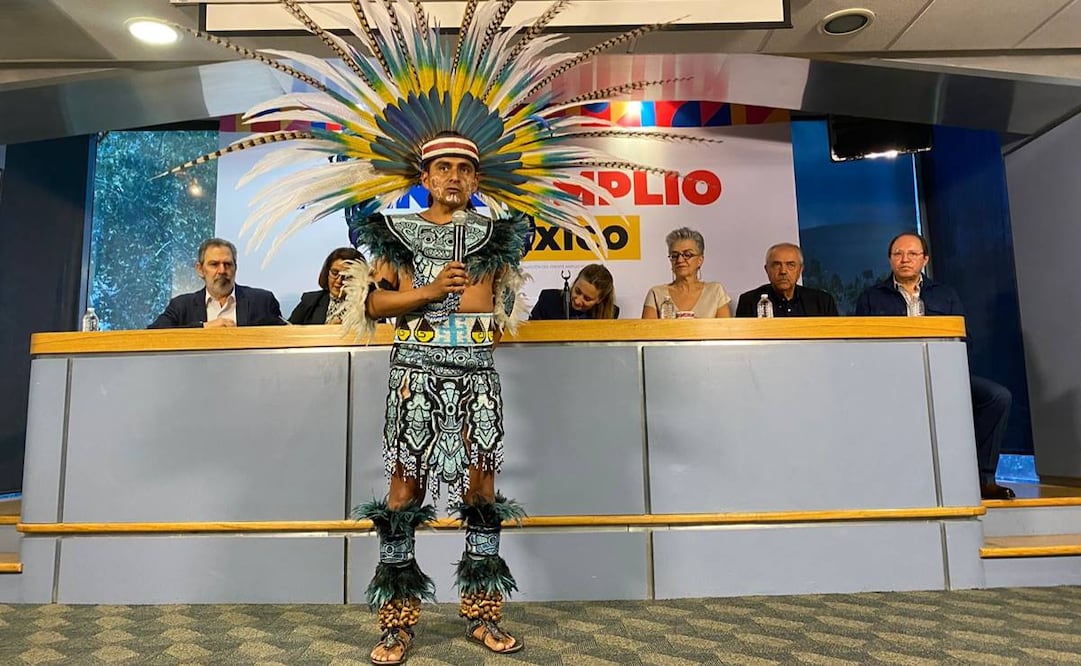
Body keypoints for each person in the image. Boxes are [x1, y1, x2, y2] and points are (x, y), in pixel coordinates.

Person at [348, 134, 530, 663]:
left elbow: (502, 309)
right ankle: (397, 623)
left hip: (476, 374)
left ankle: (482, 614)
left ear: (475, 180)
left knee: (483, 492)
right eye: (442, 168)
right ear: (424, 179)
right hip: (414, 373)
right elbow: (376, 303)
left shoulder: (497, 238)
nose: (453, 176)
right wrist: (427, 294)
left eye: (463, 169)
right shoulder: (396, 235)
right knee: (403, 496)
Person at [853, 232, 1015, 501]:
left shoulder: (945, 294)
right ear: (890, 259)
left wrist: (949, 370)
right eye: (898, 254)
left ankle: (983, 480)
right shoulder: (872, 298)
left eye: (912, 254)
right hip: (892, 379)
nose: (905, 259)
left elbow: (964, 339)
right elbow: (862, 347)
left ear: (924, 259)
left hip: (942, 374)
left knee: (998, 397)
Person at [148, 238, 284, 328]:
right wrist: (203, 327)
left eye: (228, 264)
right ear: (200, 269)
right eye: (214, 264)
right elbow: (152, 335)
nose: (222, 270)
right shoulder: (182, 305)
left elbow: (284, 339)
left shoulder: (262, 301)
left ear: (235, 267)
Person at [642, 227, 731, 319]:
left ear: (700, 260)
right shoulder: (656, 293)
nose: (680, 260)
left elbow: (726, 330)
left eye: (687, 255)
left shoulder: (715, 291)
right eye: (675, 255)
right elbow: (647, 331)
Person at [735, 243, 839, 317]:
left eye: (791, 265)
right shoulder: (750, 301)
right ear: (767, 270)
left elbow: (835, 342)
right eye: (776, 265)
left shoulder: (822, 301)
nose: (783, 271)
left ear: (800, 270)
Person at [288, 247, 366, 324]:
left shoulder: (368, 305)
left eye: (347, 276)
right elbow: (286, 332)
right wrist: (327, 330)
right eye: (335, 273)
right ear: (327, 272)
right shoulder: (310, 301)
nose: (339, 281)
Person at [530, 264, 619, 320]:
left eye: (587, 299)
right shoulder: (548, 300)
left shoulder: (611, 314)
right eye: (577, 291)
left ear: (600, 299)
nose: (577, 301)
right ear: (575, 281)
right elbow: (528, 335)